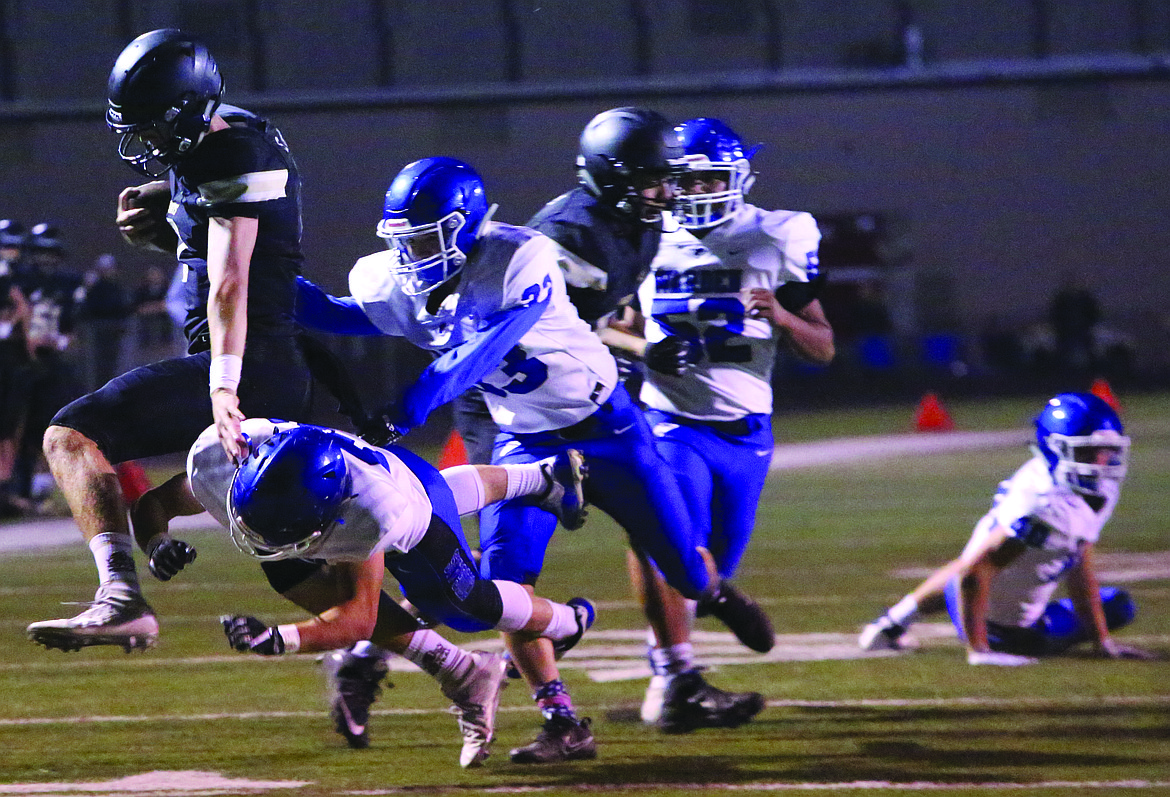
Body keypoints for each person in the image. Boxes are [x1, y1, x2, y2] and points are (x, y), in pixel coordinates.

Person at [296, 154, 774, 763]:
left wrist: (412, 403)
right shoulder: (397, 280)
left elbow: (480, 348)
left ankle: (716, 592)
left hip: (610, 429)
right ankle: (562, 719)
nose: (412, 257)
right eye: (405, 241)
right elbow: (331, 313)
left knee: (682, 566)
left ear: (465, 227)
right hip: (527, 441)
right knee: (505, 585)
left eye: (426, 239)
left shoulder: (518, 256)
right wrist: (233, 260)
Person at [26, 29, 321, 653]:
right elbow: (220, 246)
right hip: (263, 362)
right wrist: (166, 225)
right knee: (300, 572)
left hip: (252, 367)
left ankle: (120, 598)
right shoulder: (226, 132)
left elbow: (231, 283)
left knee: (72, 434)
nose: (147, 144)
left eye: (154, 129)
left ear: (186, 113)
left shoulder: (230, 151)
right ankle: (457, 664)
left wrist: (222, 386)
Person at [129, 418, 592, 767]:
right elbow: (155, 502)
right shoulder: (221, 457)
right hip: (384, 469)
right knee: (287, 571)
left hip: (405, 503)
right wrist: (157, 543)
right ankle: (542, 477)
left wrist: (280, 638)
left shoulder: (368, 510)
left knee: (467, 605)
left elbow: (358, 618)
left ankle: (568, 621)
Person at [605, 117, 835, 732]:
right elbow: (614, 325)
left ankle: (711, 607)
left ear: (738, 179)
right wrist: (640, 348)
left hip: (746, 432)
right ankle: (674, 678)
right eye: (689, 179)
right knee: (666, 543)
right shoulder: (644, 238)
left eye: (712, 177)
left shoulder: (775, 236)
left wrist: (785, 320)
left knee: (708, 569)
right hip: (668, 419)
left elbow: (824, 346)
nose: (700, 190)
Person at [859, 392, 1158, 664]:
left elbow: (1078, 560)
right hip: (999, 626)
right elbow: (973, 573)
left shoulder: (1081, 486)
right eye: (1088, 452)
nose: (1101, 462)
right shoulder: (1043, 506)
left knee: (1116, 602)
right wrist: (980, 651)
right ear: (1056, 449)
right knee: (1112, 607)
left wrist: (1101, 641)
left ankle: (890, 624)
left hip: (969, 591)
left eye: (1106, 450)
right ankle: (983, 640)